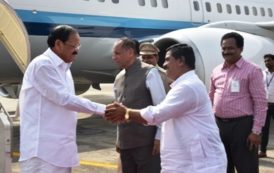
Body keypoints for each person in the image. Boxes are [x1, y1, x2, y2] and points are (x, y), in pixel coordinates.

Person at [106, 44, 227, 173]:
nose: (164, 64)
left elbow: (157, 114)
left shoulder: (187, 87)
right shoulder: (183, 85)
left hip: (199, 165)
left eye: (168, 59)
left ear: (181, 61)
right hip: (185, 163)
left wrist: (126, 112)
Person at [18, 25, 106, 173]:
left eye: (79, 45)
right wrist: (104, 109)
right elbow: (64, 99)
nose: (77, 50)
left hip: (61, 149)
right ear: (58, 44)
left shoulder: (64, 69)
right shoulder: (43, 65)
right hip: (42, 152)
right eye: (74, 45)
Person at [209, 32, 267, 173]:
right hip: (219, 126)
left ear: (241, 49)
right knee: (222, 166)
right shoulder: (216, 71)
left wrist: (256, 131)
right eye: (224, 48)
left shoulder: (252, 70)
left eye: (230, 48)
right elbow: (210, 98)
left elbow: (260, 103)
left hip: (242, 127)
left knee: (246, 167)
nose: (226, 51)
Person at [112, 37, 165, 173]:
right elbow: (118, 112)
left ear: (130, 52)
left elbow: (160, 108)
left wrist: (159, 138)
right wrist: (119, 139)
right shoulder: (119, 78)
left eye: (117, 53)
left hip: (146, 144)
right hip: (126, 144)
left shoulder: (150, 73)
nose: (113, 57)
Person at [259, 54, 274, 158]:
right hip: (265, 105)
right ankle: (263, 151)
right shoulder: (263, 73)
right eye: (265, 61)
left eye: (268, 61)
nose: (266, 63)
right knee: (264, 129)